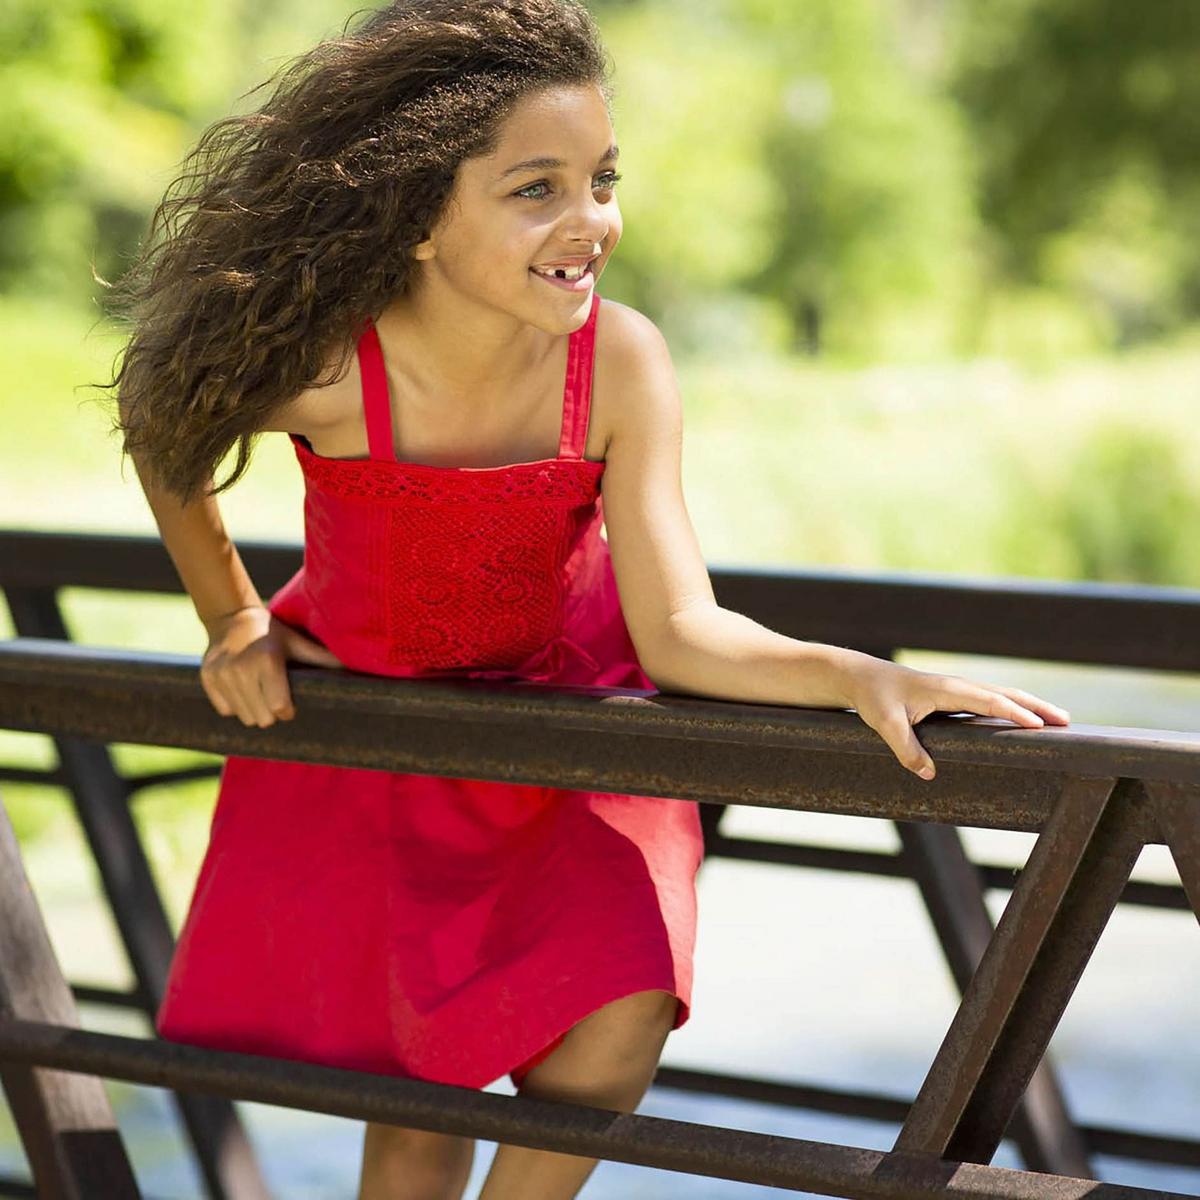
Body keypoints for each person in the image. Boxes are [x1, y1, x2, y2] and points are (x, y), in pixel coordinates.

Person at [103, 1, 1071, 1196]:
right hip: (388, 744)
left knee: (618, 1023)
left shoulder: (620, 360)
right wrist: (235, 617)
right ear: (416, 218)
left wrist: (857, 676)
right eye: (537, 189)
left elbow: (683, 629)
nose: (591, 220)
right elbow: (163, 420)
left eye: (602, 179)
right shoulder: (333, 364)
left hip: (573, 735)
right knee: (417, 1111)